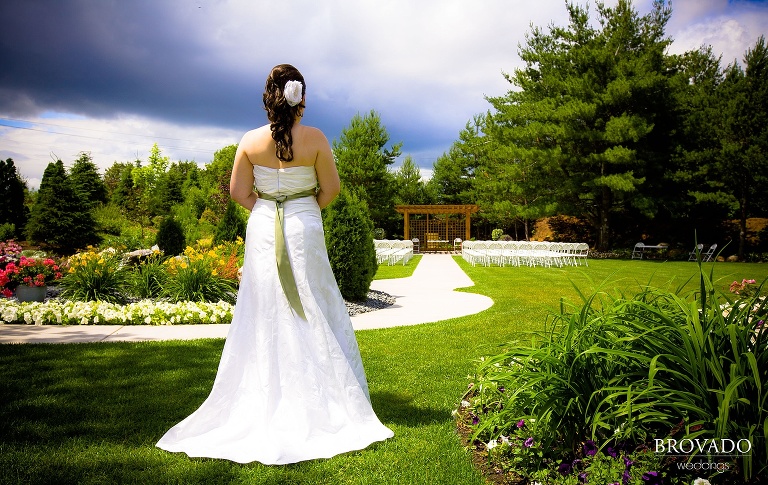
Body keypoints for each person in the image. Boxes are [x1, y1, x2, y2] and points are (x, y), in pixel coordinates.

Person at [156, 64, 393, 464]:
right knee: (312, 300)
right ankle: (323, 395)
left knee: (263, 304)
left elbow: (237, 192)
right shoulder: (315, 138)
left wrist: (267, 208)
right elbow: (331, 189)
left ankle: (263, 392)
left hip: (263, 225)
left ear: (269, 96)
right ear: (301, 97)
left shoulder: (249, 140)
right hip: (305, 225)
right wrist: (302, 209)